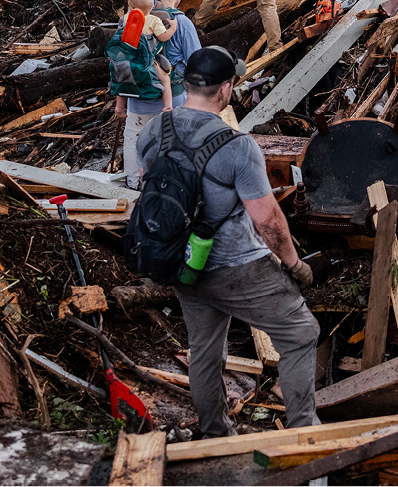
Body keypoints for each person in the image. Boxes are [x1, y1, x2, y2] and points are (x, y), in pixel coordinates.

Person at [137, 46, 320, 437]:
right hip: (236, 266)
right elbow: (268, 219)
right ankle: (304, 433)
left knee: (204, 349)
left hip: (181, 262)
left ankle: (215, 433)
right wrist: (294, 264)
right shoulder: (237, 146)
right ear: (225, 89)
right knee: (301, 333)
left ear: (187, 84)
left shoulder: (154, 131)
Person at [113, 0, 176, 186]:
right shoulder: (155, 20)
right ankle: (168, 105)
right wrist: (172, 27)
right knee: (165, 79)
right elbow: (164, 38)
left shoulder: (125, 21)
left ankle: (133, 180)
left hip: (131, 65)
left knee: (122, 77)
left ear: (130, 7)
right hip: (150, 63)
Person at [150, 0, 202, 88]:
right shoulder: (182, 22)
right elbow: (197, 64)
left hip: (136, 97)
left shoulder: (141, 16)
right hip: (172, 95)